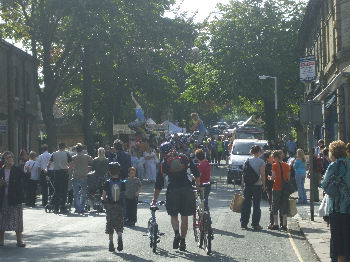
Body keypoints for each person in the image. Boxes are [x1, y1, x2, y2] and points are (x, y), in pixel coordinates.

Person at [152, 142, 200, 251]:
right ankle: (183, 241)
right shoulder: (184, 157)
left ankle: (177, 233)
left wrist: (154, 200)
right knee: (185, 217)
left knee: (174, 215)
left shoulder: (164, 163)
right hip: (187, 189)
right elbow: (196, 173)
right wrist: (197, 186)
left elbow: (158, 184)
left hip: (172, 190)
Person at [321, 140, 350, 262]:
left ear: (333, 152)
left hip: (336, 208)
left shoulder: (334, 165)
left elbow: (324, 185)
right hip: (348, 207)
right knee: (347, 239)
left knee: (337, 239)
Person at [0, 151, 26, 247]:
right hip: (3, 198)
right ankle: (1, 240)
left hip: (15, 198)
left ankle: (19, 241)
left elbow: (24, 180)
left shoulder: (17, 170)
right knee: (2, 219)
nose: (9, 159)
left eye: (10, 157)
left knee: (17, 219)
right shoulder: (1, 171)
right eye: (7, 158)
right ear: (3, 160)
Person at [240, 145, 265, 230]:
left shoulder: (247, 161)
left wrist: (242, 183)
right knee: (256, 205)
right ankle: (255, 224)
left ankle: (244, 223)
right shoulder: (261, 162)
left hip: (247, 185)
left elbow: (244, 173)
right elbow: (262, 175)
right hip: (257, 186)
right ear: (258, 152)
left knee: (246, 205)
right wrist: (264, 185)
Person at [102, 162, 125, 252]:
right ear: (119, 171)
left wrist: (104, 203)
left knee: (110, 223)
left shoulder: (107, 182)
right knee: (119, 222)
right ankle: (119, 237)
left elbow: (104, 195)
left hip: (110, 206)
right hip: (119, 205)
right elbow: (124, 195)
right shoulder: (122, 182)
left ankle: (111, 243)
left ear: (109, 172)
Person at [47, 142, 72, 213]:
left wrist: (47, 170)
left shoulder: (54, 154)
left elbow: (49, 164)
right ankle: (62, 207)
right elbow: (71, 164)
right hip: (64, 173)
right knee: (64, 190)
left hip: (57, 173)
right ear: (64, 147)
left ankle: (56, 207)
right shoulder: (67, 154)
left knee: (57, 190)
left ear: (58, 147)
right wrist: (68, 169)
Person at [269, 150, 291, 231]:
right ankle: (284, 225)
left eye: (273, 158)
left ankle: (276, 224)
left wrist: (269, 177)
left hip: (276, 188)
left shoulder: (274, 165)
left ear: (275, 157)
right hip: (285, 189)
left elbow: (273, 177)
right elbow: (288, 178)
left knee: (275, 206)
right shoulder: (287, 165)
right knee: (284, 206)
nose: (273, 160)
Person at [71, 143, 93, 213]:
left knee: (76, 193)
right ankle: (82, 207)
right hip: (84, 175)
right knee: (83, 193)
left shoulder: (73, 157)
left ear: (76, 150)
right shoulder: (87, 157)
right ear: (82, 149)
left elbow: (70, 166)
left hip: (75, 175)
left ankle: (77, 208)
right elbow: (92, 162)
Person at [195, 149, 212, 223]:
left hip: (202, 185)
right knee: (205, 203)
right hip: (208, 184)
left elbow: (199, 176)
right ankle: (206, 219)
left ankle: (207, 220)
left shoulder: (201, 165)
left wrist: (192, 177)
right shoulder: (207, 162)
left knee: (203, 204)